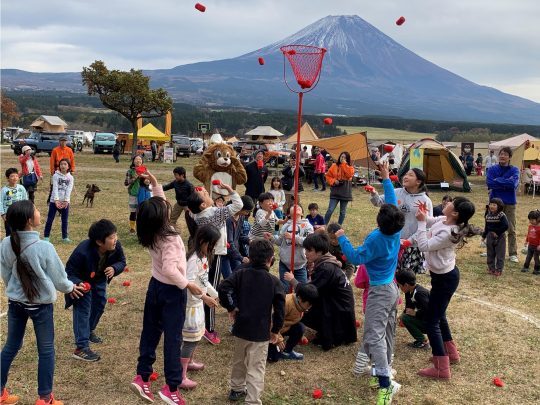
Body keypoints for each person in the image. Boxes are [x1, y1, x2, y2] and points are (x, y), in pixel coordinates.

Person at [1, 200, 85, 405]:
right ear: (30, 220)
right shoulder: (44, 247)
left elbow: (4, 273)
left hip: (16, 303)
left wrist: (13, 289)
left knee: (11, 346)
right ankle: (45, 398)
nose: (39, 212)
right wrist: (70, 288)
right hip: (41, 307)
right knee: (46, 350)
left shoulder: (5, 243)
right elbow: (59, 279)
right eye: (37, 210)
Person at [130, 171, 203, 405]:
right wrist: (188, 284)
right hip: (172, 291)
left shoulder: (151, 230)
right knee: (173, 339)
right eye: (165, 208)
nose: (167, 206)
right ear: (163, 217)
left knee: (150, 332)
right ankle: (171, 387)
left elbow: (157, 203)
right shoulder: (170, 237)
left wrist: (154, 183)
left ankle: (142, 376)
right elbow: (172, 270)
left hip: (155, 287)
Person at [337, 162, 404, 402]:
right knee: (387, 331)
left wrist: (342, 238)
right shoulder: (396, 227)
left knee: (374, 335)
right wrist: (386, 178)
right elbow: (391, 203)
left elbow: (355, 257)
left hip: (379, 291)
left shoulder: (376, 238)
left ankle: (386, 384)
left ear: (379, 220)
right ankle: (378, 373)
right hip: (392, 289)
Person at [412, 197, 481, 379]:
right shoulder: (444, 220)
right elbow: (429, 220)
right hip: (443, 276)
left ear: (455, 213)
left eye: (451, 203)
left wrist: (420, 224)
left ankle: (441, 368)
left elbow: (424, 245)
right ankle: (451, 354)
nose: (447, 203)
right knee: (439, 315)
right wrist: (422, 215)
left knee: (431, 321)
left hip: (445, 279)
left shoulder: (448, 233)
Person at [218, 238, 285, 404]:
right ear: (270, 260)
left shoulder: (241, 274)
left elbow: (224, 287)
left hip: (241, 327)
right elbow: (280, 310)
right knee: (256, 367)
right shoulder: (274, 282)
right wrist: (275, 330)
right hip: (260, 332)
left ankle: (236, 388)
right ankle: (253, 400)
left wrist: (231, 307)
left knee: (239, 360)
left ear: (250, 256)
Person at [188, 184, 243, 345]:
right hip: (216, 254)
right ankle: (209, 328)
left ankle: (204, 324)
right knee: (211, 287)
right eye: (205, 193)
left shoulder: (197, 215)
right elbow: (238, 205)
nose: (209, 192)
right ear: (203, 204)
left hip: (206, 253)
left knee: (205, 284)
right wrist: (231, 190)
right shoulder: (215, 213)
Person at [65, 220, 126, 362]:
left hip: (99, 279)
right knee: (83, 309)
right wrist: (76, 284)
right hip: (82, 283)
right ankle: (81, 348)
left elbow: (122, 261)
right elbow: (68, 272)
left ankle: (89, 330)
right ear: (99, 242)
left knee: (100, 303)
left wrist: (115, 268)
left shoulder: (116, 246)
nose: (115, 239)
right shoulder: (82, 251)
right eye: (111, 237)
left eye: (115, 235)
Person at [285, 233, 357, 351]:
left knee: (305, 307)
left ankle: (330, 336)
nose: (306, 253)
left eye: (309, 250)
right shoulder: (327, 262)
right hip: (336, 303)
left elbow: (310, 292)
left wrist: (293, 281)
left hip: (338, 308)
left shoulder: (326, 268)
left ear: (319, 252)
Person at [369, 167, 433, 274]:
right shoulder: (396, 192)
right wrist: (373, 193)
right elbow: (379, 202)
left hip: (410, 247)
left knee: (405, 278)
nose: (406, 177)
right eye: (406, 174)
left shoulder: (424, 201)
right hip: (393, 242)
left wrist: (409, 241)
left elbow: (426, 227)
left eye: (410, 175)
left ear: (418, 182)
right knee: (390, 274)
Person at [181, 225, 221, 389]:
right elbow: (188, 284)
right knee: (190, 340)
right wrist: (204, 297)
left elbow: (204, 280)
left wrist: (215, 294)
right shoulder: (193, 260)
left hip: (198, 305)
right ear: (202, 241)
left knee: (196, 336)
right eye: (211, 244)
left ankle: (189, 361)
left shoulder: (204, 257)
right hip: (190, 306)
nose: (212, 248)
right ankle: (181, 375)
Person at [267, 283, 319, 362]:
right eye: (308, 304)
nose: (309, 307)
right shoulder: (286, 303)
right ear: (300, 298)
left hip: (283, 328)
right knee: (273, 358)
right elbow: (272, 322)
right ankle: (269, 347)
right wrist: (278, 339)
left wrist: (300, 335)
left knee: (300, 328)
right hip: (271, 330)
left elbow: (294, 320)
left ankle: (287, 351)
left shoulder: (301, 305)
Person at [486, 147, 520, 263]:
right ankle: (492, 250)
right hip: (495, 202)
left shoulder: (515, 169)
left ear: (509, 157)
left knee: (511, 228)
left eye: (505, 154)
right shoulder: (492, 169)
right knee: (492, 227)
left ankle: (513, 253)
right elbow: (489, 183)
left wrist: (498, 180)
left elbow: (513, 184)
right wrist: (506, 181)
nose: (502, 156)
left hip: (510, 202)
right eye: (501, 154)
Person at [274, 205, 314, 290]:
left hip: (300, 264)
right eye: (293, 206)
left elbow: (309, 242)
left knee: (302, 290)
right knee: (285, 289)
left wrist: (294, 237)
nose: (296, 206)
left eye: (299, 207)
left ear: (302, 213)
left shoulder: (307, 226)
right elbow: (280, 241)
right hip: (285, 264)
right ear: (289, 214)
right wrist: (271, 238)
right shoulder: (285, 226)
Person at [395, 270, 430, 349]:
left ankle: (423, 342)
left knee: (406, 318)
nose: (399, 288)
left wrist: (415, 314)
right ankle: (421, 340)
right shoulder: (409, 291)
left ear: (406, 285)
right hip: (425, 319)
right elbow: (409, 306)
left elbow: (430, 311)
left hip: (432, 323)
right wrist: (402, 315)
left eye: (400, 285)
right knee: (404, 317)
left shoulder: (419, 293)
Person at [43, 159, 74, 243]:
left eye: (65, 164)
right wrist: (56, 200)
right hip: (54, 201)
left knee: (65, 220)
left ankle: (65, 237)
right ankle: (46, 236)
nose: (63, 166)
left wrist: (66, 201)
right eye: (61, 164)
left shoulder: (70, 178)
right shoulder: (55, 176)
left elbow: (69, 190)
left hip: (65, 202)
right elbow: (55, 188)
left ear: (68, 166)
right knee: (50, 219)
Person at [324, 151, 354, 225]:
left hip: (345, 191)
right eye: (341, 156)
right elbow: (328, 176)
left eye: (344, 157)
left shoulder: (350, 167)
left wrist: (344, 164)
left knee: (342, 212)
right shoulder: (334, 165)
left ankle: (338, 227)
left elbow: (349, 175)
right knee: (330, 210)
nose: (342, 158)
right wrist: (334, 181)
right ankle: (323, 225)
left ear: (347, 159)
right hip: (335, 190)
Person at [226, 196, 254, 274]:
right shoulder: (228, 219)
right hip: (224, 253)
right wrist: (241, 258)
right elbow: (229, 242)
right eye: (247, 211)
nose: (248, 214)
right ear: (240, 208)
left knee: (238, 274)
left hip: (235, 252)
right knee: (229, 277)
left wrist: (249, 241)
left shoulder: (241, 217)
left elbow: (240, 235)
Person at [482, 198, 508, 276]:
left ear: (499, 206)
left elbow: (506, 226)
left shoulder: (501, 215)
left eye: (494, 205)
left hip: (500, 236)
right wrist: (484, 236)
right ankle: (491, 268)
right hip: (490, 236)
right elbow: (486, 227)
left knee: (500, 253)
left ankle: (499, 269)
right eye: (491, 204)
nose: (492, 206)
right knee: (490, 253)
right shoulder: (488, 215)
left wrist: (497, 232)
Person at [163, 166, 194, 232]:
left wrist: (191, 207)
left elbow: (193, 196)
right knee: (172, 219)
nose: (175, 176)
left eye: (176, 175)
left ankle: (193, 234)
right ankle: (171, 232)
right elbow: (166, 187)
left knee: (191, 220)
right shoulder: (175, 182)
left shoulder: (189, 185)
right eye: (174, 175)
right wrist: (157, 187)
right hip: (179, 204)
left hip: (187, 206)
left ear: (182, 175)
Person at [1, 168, 28, 237]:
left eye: (16, 176)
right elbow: (0, 202)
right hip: (8, 215)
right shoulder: (4, 190)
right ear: (7, 178)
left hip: (20, 214)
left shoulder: (21, 188)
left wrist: (26, 211)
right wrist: (3, 214)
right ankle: (9, 246)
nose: (15, 178)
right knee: (10, 232)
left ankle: (19, 246)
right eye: (12, 176)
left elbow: (25, 199)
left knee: (20, 232)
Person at [124, 155, 145, 234]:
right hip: (133, 194)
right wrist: (136, 176)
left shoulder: (144, 170)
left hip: (143, 193)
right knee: (133, 212)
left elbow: (148, 181)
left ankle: (141, 228)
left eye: (140, 159)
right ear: (133, 161)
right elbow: (126, 183)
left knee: (142, 212)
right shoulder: (130, 171)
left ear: (142, 161)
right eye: (136, 159)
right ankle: (132, 228)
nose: (138, 161)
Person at [522, 210, 540, 274]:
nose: (530, 221)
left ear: (538, 219)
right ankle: (526, 267)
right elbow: (528, 234)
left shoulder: (539, 228)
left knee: (536, 258)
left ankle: (537, 269)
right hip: (530, 245)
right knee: (528, 257)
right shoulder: (530, 226)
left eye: (532, 220)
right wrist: (526, 241)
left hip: (537, 247)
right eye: (530, 220)